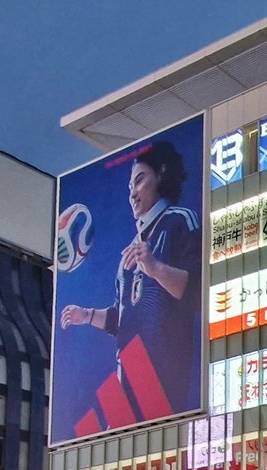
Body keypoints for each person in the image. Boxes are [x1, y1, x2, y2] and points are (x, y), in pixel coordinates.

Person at [58, 137, 201, 427]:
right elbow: (123, 319)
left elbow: (197, 291)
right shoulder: (130, 251)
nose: (132, 194)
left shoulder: (180, 221)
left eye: (139, 180)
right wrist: (88, 316)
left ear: (161, 173)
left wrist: (155, 267)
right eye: (129, 187)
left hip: (163, 389)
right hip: (128, 386)